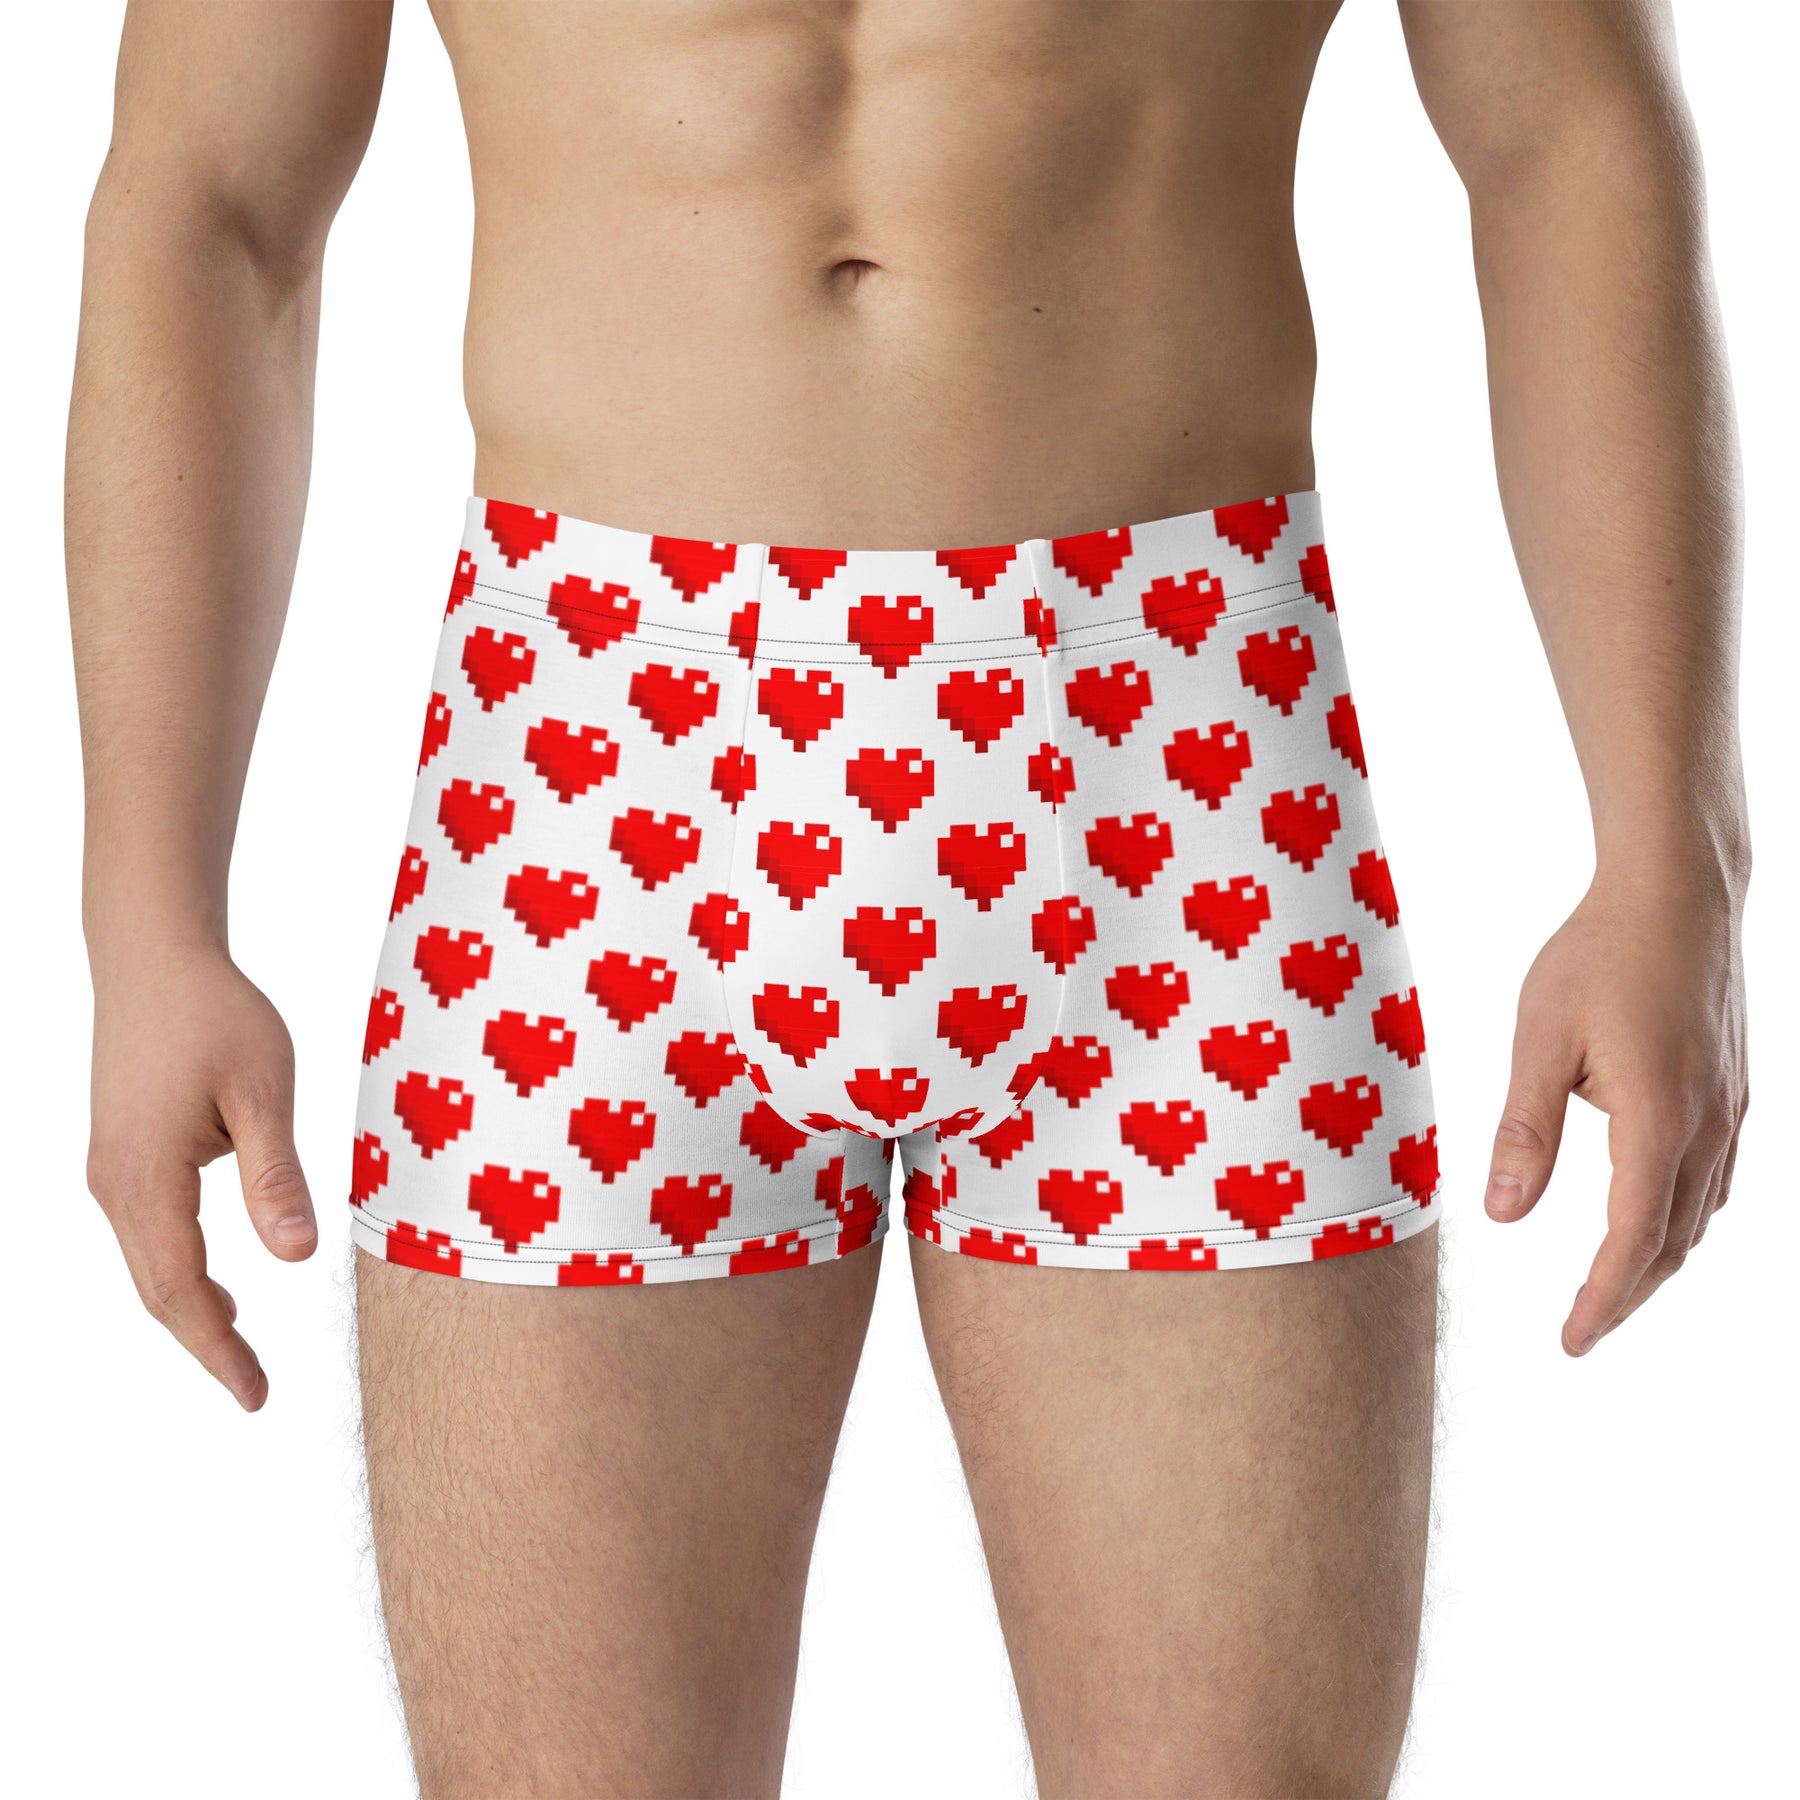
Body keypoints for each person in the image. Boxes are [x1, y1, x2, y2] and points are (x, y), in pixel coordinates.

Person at [66, 2, 1749, 1794]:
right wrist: (147, 919)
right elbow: (215, 201)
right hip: (589, 781)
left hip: (1178, 779)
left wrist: (1675, 850)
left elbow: (1567, 144)